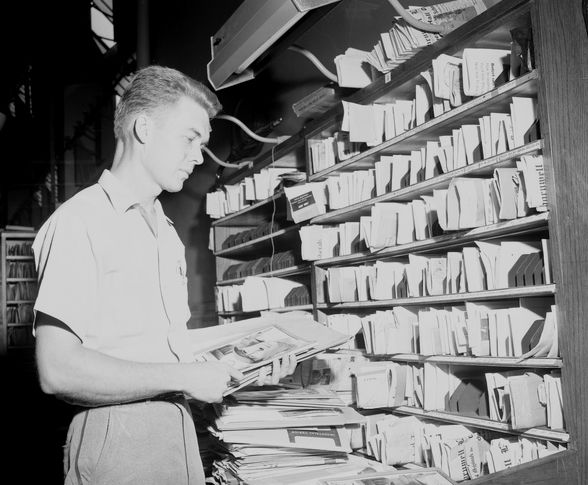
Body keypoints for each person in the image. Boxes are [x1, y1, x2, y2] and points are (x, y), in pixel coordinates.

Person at [32, 65, 297, 485]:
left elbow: (161, 355)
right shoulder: (80, 222)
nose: (199, 156)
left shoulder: (163, 231)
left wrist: (239, 369)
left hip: (175, 432)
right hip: (116, 440)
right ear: (143, 129)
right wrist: (185, 377)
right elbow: (57, 369)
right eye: (190, 138)